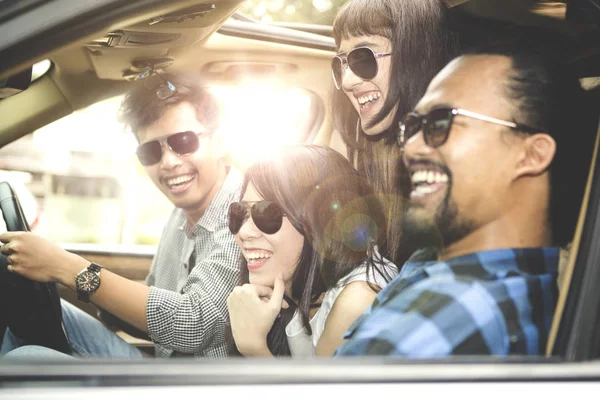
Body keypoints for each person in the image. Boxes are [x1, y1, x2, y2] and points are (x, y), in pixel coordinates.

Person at [335, 40, 598, 357]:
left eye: (441, 122)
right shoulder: (540, 288)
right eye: (413, 126)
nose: (411, 147)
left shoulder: (430, 329)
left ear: (531, 154)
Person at [0, 72, 242, 358]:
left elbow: (195, 325)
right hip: (163, 370)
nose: (168, 163)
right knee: (28, 308)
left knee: (26, 360)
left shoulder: (243, 214)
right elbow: (155, 300)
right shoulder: (182, 214)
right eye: (151, 151)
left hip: (199, 388)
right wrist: (59, 274)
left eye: (184, 141)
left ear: (220, 140)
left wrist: (68, 268)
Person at [226, 145, 397, 357]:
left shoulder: (357, 303)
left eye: (267, 214)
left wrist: (254, 348)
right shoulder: (304, 296)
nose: (244, 232)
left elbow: (315, 392)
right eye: (239, 213)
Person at [331, 0, 461, 266]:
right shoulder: (370, 170)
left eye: (363, 58)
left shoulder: (452, 176)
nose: (347, 82)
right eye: (341, 63)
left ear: (415, 56)